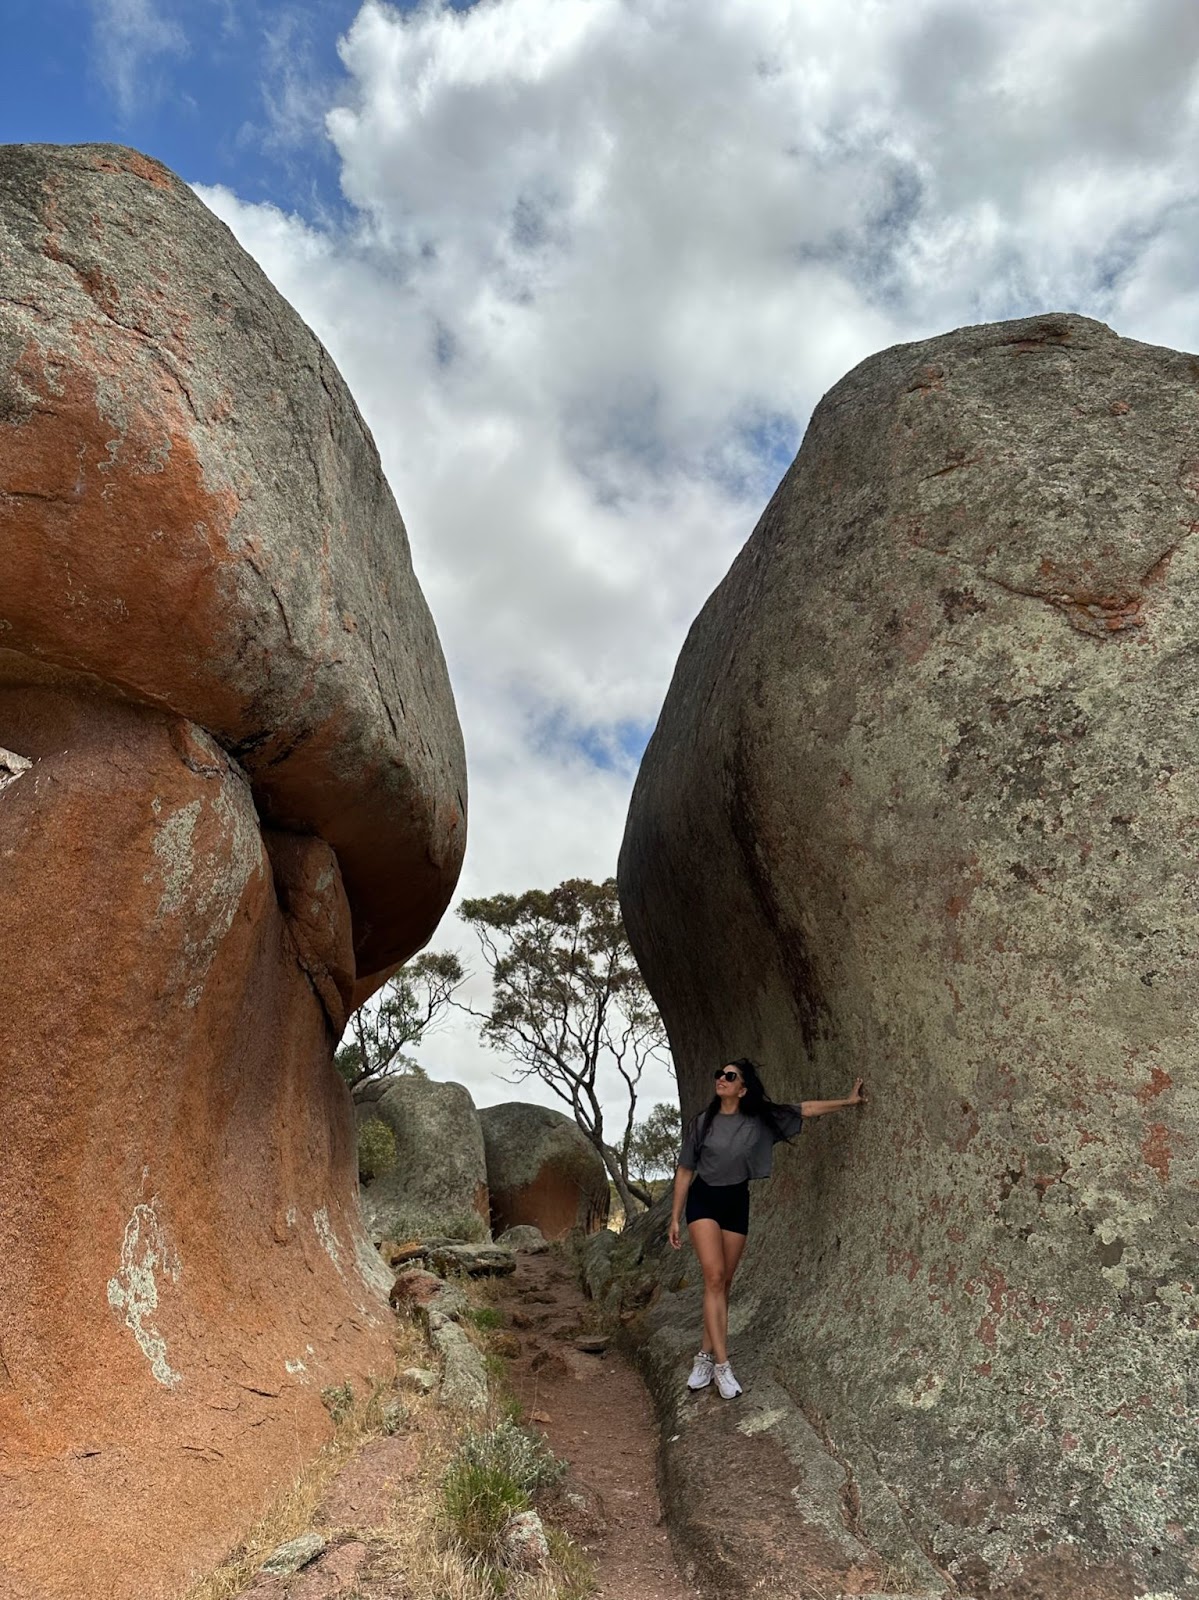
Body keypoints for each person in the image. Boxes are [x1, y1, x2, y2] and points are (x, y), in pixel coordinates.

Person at [668, 1057, 866, 1399]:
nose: (722, 1079)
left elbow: (805, 1109)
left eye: (729, 1076)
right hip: (704, 1201)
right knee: (713, 1277)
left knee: (723, 1283)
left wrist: (847, 1102)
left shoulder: (760, 1120)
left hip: (736, 1203)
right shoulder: (702, 1123)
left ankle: (703, 1356)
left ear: (743, 1090)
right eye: (719, 1074)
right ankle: (722, 1367)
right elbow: (685, 1170)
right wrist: (674, 1216)